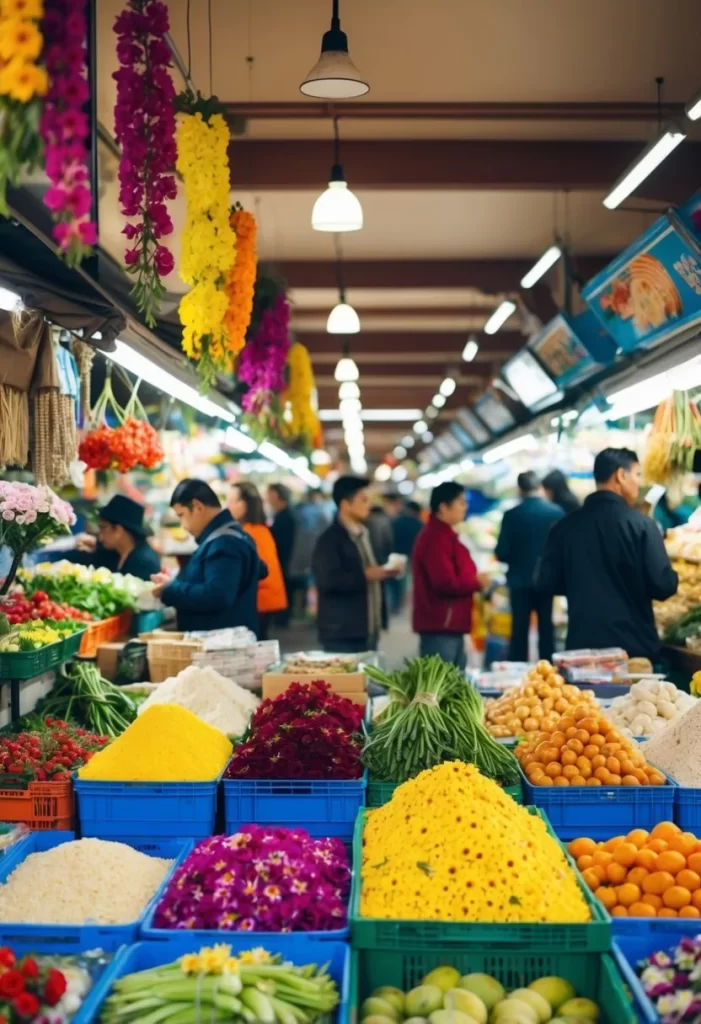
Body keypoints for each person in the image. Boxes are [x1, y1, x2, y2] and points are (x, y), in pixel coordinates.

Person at [536, 448, 678, 661]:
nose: (639, 484)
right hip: (634, 650)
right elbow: (663, 585)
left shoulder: (563, 527)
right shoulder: (643, 526)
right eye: (637, 475)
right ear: (620, 475)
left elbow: (545, 582)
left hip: (582, 650)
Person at [151, 479, 267, 633]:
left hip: (222, 648)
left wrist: (170, 590)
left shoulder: (225, 543)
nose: (183, 526)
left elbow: (217, 595)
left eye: (182, 515)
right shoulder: (232, 535)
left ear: (198, 507)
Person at [312, 475, 399, 653]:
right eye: (363, 500)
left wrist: (385, 572)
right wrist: (365, 575)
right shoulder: (329, 540)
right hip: (342, 633)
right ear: (345, 504)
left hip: (369, 629)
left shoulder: (366, 534)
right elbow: (327, 581)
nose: (369, 505)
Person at [412, 481, 485, 670]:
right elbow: (445, 583)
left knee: (452, 682)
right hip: (440, 624)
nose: (465, 507)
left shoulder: (445, 535)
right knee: (441, 684)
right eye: (460, 502)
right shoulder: (436, 539)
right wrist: (476, 583)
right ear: (443, 507)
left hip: (450, 624)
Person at [495, 471, 564, 661]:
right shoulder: (556, 513)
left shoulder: (511, 515)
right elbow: (563, 551)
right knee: (546, 631)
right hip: (546, 582)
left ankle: (518, 676)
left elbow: (501, 552)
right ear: (539, 486)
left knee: (519, 632)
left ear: (520, 489)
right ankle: (548, 675)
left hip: (518, 582)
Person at [228, 482, 288, 640]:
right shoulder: (259, 530)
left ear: (243, 505)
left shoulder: (250, 534)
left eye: (231, 501)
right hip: (265, 599)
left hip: (260, 599)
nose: (227, 507)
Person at [68, 495, 161, 580]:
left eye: (103, 527)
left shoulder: (143, 563)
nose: (100, 536)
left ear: (118, 530)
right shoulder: (116, 552)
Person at [287, 489, 330, 620]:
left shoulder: (298, 512)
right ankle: (313, 611)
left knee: (304, 583)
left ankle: (302, 609)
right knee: (314, 584)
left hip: (301, 553)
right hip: (318, 553)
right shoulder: (322, 513)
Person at [385, 496, 423, 614]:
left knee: (395, 580)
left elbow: (389, 538)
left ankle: (396, 604)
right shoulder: (419, 524)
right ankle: (404, 603)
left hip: (396, 554)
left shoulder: (396, 521)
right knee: (408, 581)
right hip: (412, 555)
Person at [266, 483, 296, 626]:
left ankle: (283, 617)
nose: (267, 498)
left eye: (270, 494)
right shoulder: (283, 514)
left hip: (284, 560)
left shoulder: (285, 517)